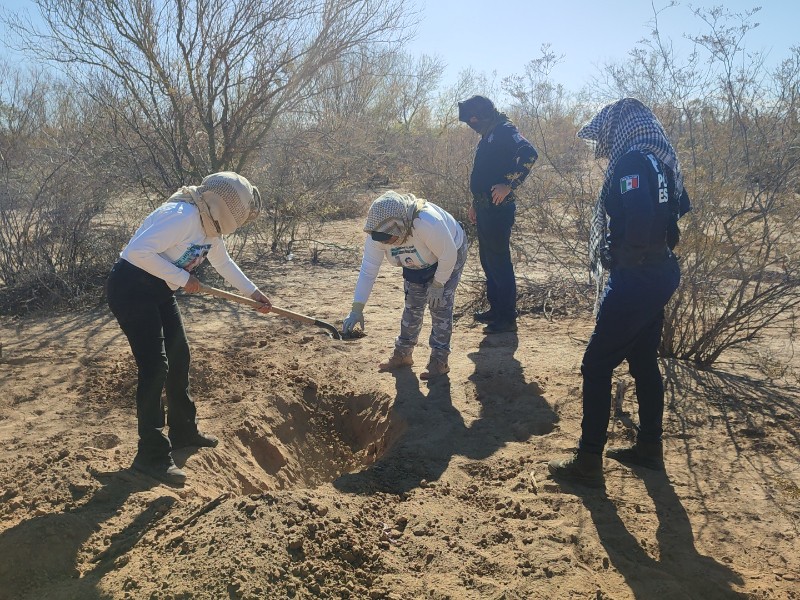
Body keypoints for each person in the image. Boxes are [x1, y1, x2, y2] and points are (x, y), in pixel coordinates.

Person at [548, 98, 691, 487]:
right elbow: (677, 211)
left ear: (620, 130)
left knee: (595, 366)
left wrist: (625, 257)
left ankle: (588, 462)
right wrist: (655, 250)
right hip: (660, 272)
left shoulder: (631, 162)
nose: (604, 144)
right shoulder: (662, 161)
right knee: (643, 359)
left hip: (637, 278)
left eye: (606, 136)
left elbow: (641, 216)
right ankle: (649, 449)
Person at [107, 171, 272, 485]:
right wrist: (184, 279)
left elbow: (222, 263)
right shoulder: (182, 216)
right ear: (228, 206)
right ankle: (151, 457)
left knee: (178, 356)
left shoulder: (210, 226)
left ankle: (183, 431)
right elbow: (136, 253)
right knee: (155, 367)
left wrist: (252, 293)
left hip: (158, 289)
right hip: (131, 288)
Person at [342, 191, 468, 380]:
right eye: (380, 239)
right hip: (415, 262)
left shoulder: (427, 223)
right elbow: (368, 271)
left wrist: (438, 284)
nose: (384, 243)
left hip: (448, 254)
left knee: (440, 305)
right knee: (413, 305)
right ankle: (403, 354)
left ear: (399, 227)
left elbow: (448, 255)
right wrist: (357, 308)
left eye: (388, 239)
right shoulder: (377, 234)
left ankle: (439, 360)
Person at [458, 95, 538, 333]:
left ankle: (506, 317)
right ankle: (496, 310)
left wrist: (509, 184)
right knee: (488, 260)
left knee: (499, 262)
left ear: (479, 115)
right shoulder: (489, 133)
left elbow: (530, 154)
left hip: (498, 208)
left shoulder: (504, 130)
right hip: (484, 207)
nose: (471, 124)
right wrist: (475, 203)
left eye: (473, 119)